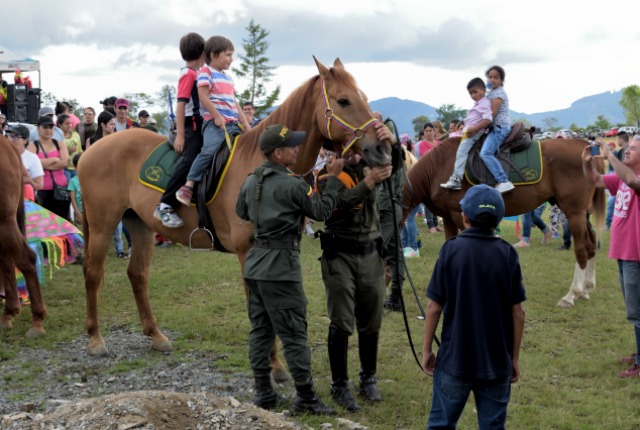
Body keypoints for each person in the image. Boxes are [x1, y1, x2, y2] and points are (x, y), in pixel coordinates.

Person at [236, 124, 344, 415]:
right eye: (292, 146)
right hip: (280, 268)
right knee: (294, 332)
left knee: (261, 329)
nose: (298, 149)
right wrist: (332, 180)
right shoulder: (294, 184)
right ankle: (306, 397)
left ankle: (263, 392)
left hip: (256, 263)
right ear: (277, 152)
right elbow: (320, 212)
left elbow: (242, 212)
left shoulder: (250, 181)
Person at [422, 184, 526, 429]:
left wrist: (427, 350)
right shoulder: (508, 254)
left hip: (453, 361)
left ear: (464, 216)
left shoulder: (450, 250)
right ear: (499, 219)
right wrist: (514, 358)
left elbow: (433, 308)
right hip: (496, 363)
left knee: (441, 424)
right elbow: (518, 314)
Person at [316, 121, 401, 412]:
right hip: (340, 254)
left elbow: (395, 163)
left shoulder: (371, 165)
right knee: (341, 320)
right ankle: (339, 384)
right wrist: (368, 183)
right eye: (346, 147)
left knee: (372, 317)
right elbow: (335, 210)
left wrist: (392, 141)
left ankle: (369, 377)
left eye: (357, 146)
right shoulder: (327, 176)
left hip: (371, 254)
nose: (352, 152)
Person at [583, 136, 640, 378]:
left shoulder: (632, 178)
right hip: (624, 253)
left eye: (634, 148)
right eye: (628, 147)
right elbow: (595, 181)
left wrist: (610, 155)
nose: (627, 150)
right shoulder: (622, 178)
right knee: (634, 309)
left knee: (638, 311)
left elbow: (632, 180)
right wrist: (586, 161)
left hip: (636, 255)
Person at [176, 35, 250, 206]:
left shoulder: (227, 77)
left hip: (232, 124)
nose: (231, 59)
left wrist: (245, 124)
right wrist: (216, 115)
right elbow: (202, 96)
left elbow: (234, 101)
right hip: (214, 125)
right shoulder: (205, 72)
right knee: (209, 151)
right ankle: (188, 185)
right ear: (214, 55)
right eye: (228, 55)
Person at [153, 32, 206, 228]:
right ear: (202, 52)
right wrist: (181, 135)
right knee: (191, 158)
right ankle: (165, 204)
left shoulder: (199, 74)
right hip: (191, 125)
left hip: (201, 123)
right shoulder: (188, 74)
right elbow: (181, 105)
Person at [87, 111, 129, 259]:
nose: (113, 126)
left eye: (114, 124)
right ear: (102, 125)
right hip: (97, 185)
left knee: (118, 219)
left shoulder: (117, 140)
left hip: (115, 184)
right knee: (97, 221)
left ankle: (120, 249)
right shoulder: (91, 141)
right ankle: (95, 251)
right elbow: (88, 164)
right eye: (111, 124)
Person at [441, 77, 494, 190]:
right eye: (471, 93)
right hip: (470, 131)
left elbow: (488, 119)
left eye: (475, 92)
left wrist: (474, 129)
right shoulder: (479, 103)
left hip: (474, 133)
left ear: (483, 90)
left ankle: (457, 179)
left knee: (461, 152)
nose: (473, 95)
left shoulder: (483, 103)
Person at [480, 65, 515, 194]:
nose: (492, 80)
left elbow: (492, 114)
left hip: (499, 128)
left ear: (501, 80)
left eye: (496, 77)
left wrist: (478, 126)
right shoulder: (491, 93)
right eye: (490, 77)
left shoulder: (499, 93)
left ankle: (503, 180)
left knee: (485, 153)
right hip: (493, 128)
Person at [28, 115, 70, 219]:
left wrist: (41, 164)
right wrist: (54, 160)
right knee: (44, 222)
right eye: (45, 127)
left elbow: (65, 163)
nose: (48, 130)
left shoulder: (60, 144)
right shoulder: (32, 145)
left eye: (51, 127)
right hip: (42, 189)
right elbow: (33, 165)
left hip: (60, 189)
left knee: (62, 221)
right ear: (38, 128)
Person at [6, 124, 44, 200]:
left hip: (25, 199)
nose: (12, 139)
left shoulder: (32, 158)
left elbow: (39, 185)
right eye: (10, 136)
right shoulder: (4, 155)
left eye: (16, 137)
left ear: (25, 140)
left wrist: (29, 182)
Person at [606, 131, 630, 230]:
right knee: (613, 202)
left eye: (618, 138)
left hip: (628, 183)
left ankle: (609, 224)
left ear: (621, 139)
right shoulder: (620, 152)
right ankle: (609, 224)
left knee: (612, 202)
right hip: (621, 181)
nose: (617, 140)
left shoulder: (631, 150)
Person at [58, 113, 83, 181]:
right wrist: (68, 152)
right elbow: (56, 154)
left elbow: (80, 150)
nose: (69, 125)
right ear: (60, 125)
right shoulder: (58, 137)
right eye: (66, 124)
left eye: (70, 123)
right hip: (65, 168)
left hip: (76, 167)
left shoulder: (76, 135)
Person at [67, 153, 83, 226]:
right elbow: (72, 198)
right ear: (75, 166)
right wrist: (77, 213)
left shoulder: (91, 179)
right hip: (80, 211)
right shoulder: (73, 181)